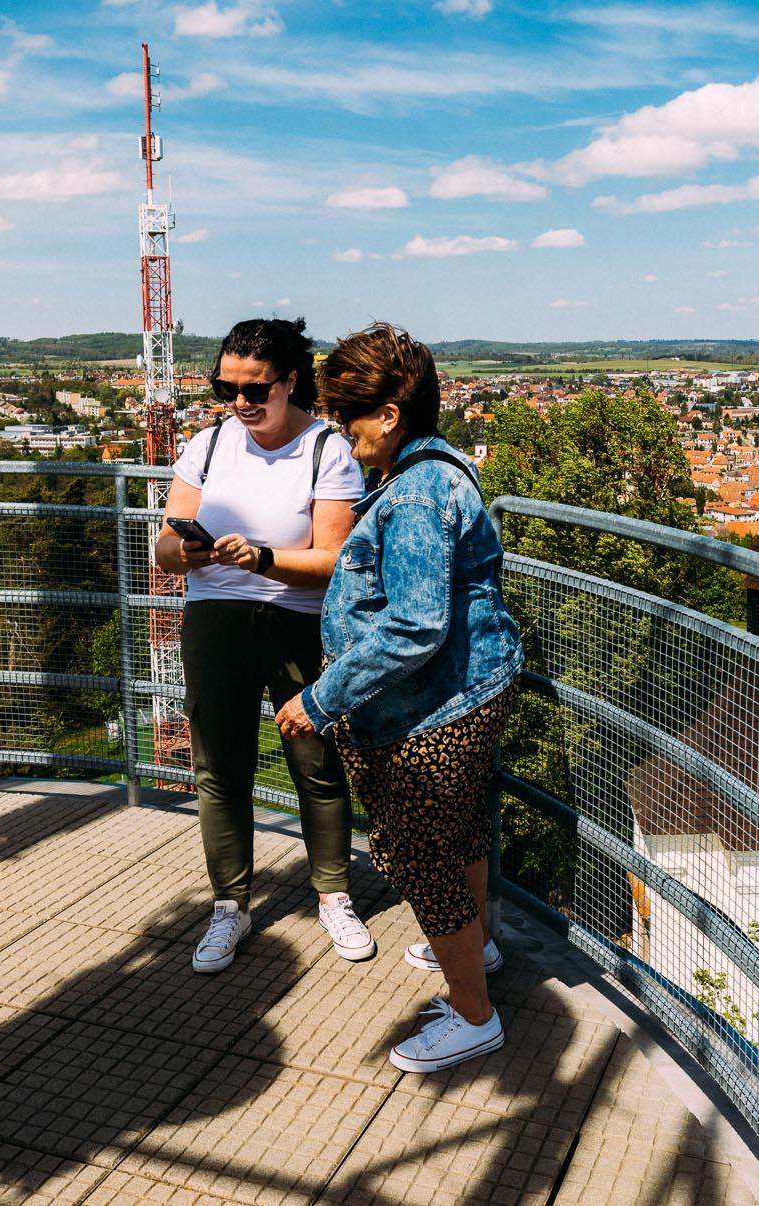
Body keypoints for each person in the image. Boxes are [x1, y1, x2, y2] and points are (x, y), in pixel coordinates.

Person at [275, 323, 524, 1074]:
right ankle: (475, 944)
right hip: (468, 686)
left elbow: (416, 625)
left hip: (436, 703)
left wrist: (319, 699)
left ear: (389, 414)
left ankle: (472, 1013)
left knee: (416, 854)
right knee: (460, 831)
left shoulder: (414, 493)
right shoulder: (432, 468)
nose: (340, 433)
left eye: (348, 416)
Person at [154, 317, 372, 974]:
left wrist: (264, 558)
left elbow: (336, 558)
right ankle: (230, 906)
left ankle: (333, 895)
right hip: (216, 619)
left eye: (256, 389)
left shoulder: (325, 449)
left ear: (291, 382)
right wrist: (186, 551)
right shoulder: (209, 446)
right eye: (228, 388)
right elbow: (163, 548)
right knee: (219, 767)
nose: (241, 402)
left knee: (317, 761)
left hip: (297, 619)